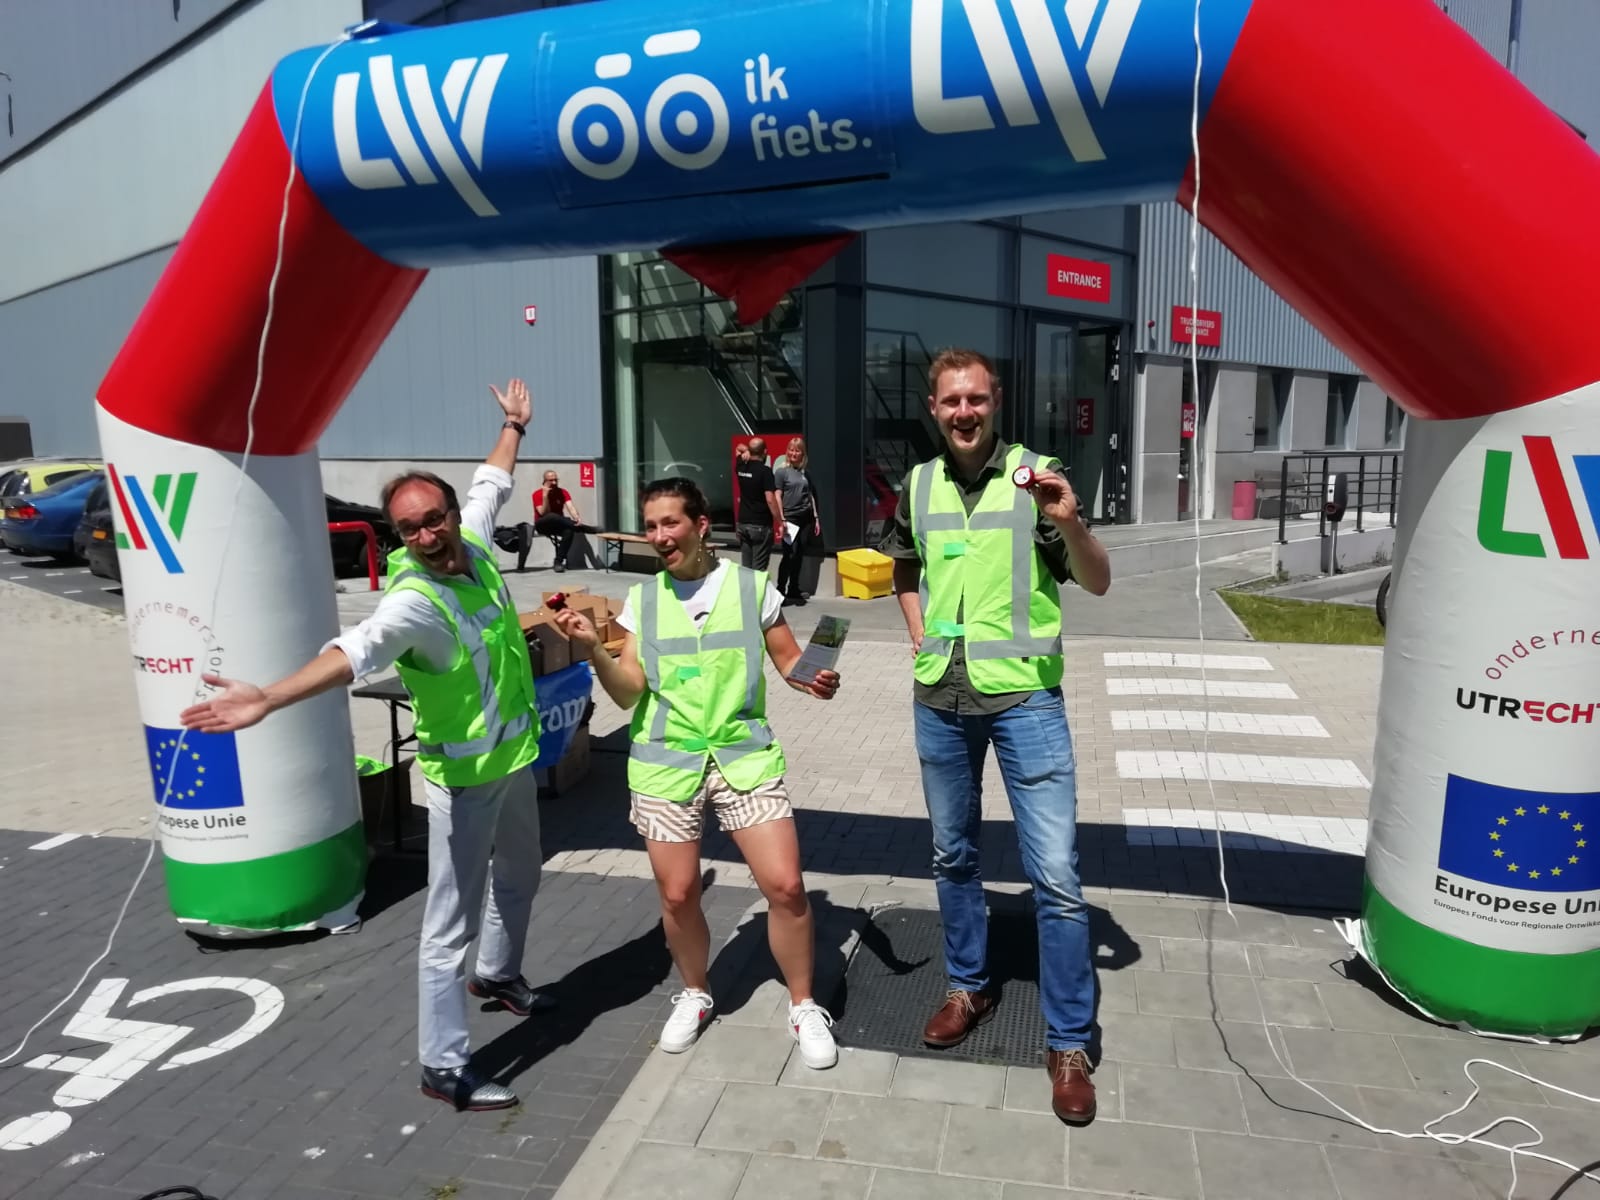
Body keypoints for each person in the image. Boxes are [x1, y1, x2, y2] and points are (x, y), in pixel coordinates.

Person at [179, 379, 552, 1114]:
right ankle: (442, 1064)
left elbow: (492, 482)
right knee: (447, 927)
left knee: (522, 875)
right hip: (463, 782)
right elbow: (354, 650)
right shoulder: (414, 602)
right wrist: (268, 697)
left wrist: (514, 427)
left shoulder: (476, 544)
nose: (427, 535)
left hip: (514, 763)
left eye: (434, 518)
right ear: (398, 536)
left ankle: (498, 973)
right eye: (410, 529)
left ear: (450, 514)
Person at [880, 348, 1112, 1125]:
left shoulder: (1036, 479)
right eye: (951, 401)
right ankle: (968, 987)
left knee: (1057, 876)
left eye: (976, 399)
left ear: (996, 400)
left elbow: (1098, 580)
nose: (964, 412)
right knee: (952, 855)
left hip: (1025, 702)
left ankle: (1069, 1043)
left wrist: (1069, 521)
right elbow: (902, 568)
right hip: (940, 698)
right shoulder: (918, 484)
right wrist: (917, 632)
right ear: (934, 408)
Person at [553, 477, 842, 1069]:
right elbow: (629, 692)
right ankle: (696, 992)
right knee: (679, 893)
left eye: (671, 523)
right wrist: (595, 649)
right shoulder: (643, 601)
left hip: (742, 757)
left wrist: (814, 679)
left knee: (786, 887)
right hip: (666, 764)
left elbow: (790, 662)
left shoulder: (752, 588)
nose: (660, 536)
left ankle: (804, 1004)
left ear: (701, 525)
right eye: (651, 526)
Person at [774, 437, 820, 607]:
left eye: (797, 450)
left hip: (805, 518)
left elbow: (810, 495)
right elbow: (777, 495)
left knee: (799, 553)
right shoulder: (782, 472)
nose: (793, 453)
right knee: (789, 554)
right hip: (790, 518)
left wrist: (816, 517)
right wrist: (782, 519)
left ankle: (794, 588)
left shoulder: (805, 473)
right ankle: (780, 589)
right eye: (791, 450)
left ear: (802, 454)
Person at [734, 436, 783, 571]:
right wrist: (780, 521)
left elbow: (738, 448)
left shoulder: (741, 466)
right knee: (758, 571)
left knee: (746, 569)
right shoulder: (765, 471)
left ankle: (746, 586)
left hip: (743, 524)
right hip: (760, 525)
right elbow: (770, 499)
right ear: (765, 452)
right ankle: (756, 587)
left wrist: (746, 450)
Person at [531, 469, 585, 573]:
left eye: (556, 480)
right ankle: (582, 527)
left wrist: (576, 517)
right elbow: (543, 513)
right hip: (542, 524)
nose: (554, 483)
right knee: (552, 516)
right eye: (551, 480)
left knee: (569, 531)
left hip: (558, 524)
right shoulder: (537, 494)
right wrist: (545, 496)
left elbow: (570, 506)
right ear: (545, 481)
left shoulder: (562, 492)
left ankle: (558, 562)